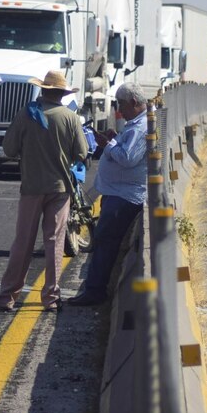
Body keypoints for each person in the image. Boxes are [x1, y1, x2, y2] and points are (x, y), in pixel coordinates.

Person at [0, 70, 88, 312]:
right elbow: (82, 153)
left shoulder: (26, 114)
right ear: (63, 94)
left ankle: (7, 297)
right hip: (60, 189)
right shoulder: (70, 118)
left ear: (43, 90)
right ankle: (51, 298)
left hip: (32, 187)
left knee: (23, 242)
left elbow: (8, 149)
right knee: (55, 242)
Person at [67, 82, 148, 306]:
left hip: (124, 196)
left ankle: (95, 291)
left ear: (133, 102)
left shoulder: (140, 128)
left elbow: (127, 158)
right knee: (104, 240)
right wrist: (115, 139)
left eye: (121, 104)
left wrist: (108, 144)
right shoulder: (136, 124)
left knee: (105, 241)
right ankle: (96, 288)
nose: (119, 110)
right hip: (119, 192)